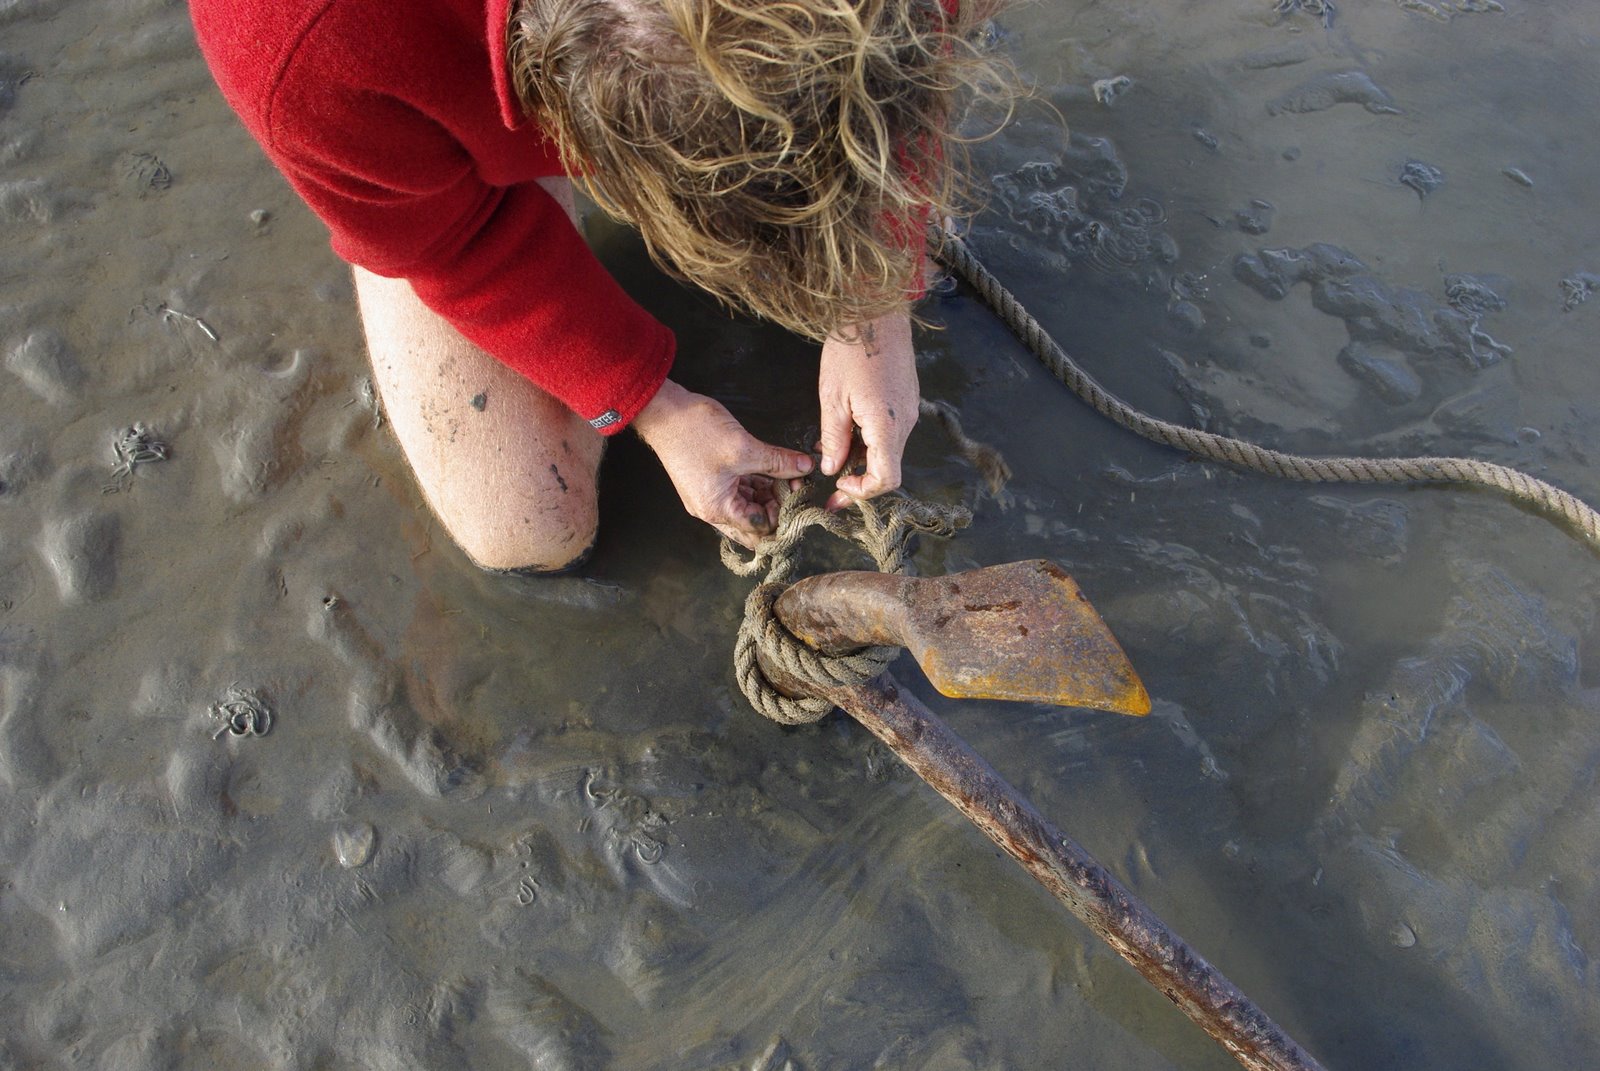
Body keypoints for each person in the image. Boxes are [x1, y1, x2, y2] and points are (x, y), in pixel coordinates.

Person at [191, 0, 1001, 573]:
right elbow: (456, 245)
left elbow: (923, 26)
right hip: (422, 126)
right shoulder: (298, 43)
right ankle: (432, 179)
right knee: (529, 525)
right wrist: (654, 405)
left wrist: (874, 300)